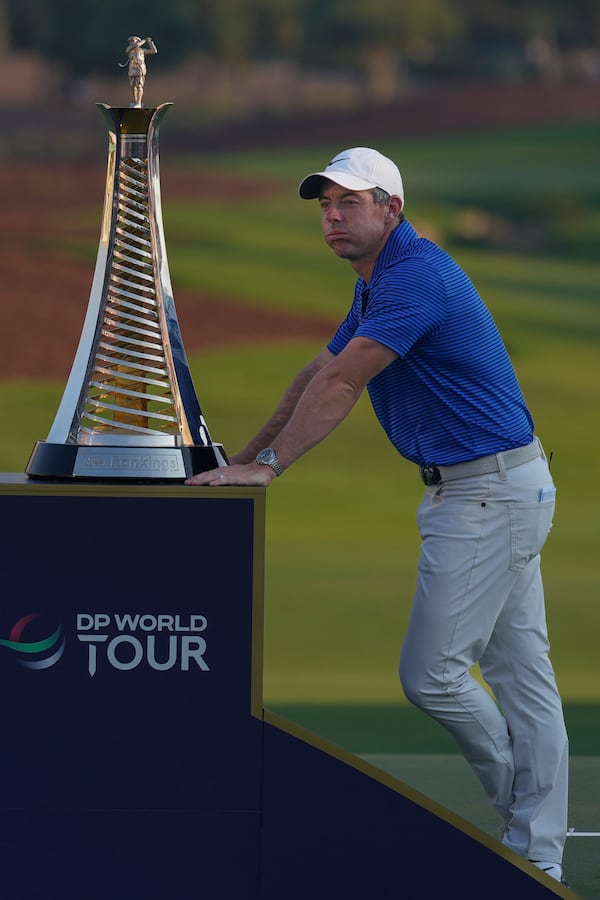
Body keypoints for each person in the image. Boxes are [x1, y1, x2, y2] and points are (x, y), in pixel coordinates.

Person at [185, 147, 569, 885]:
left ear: (391, 209)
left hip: (488, 496)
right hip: (495, 489)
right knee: (522, 676)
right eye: (326, 205)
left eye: (349, 203)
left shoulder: (415, 276)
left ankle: (524, 815)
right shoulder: (378, 283)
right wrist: (245, 452)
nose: (333, 216)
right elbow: (316, 372)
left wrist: (268, 470)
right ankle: (537, 853)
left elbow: (346, 381)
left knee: (433, 676)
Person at [120, 36, 157, 108]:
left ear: (137, 41)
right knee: (133, 86)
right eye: (130, 41)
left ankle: (138, 102)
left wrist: (149, 42)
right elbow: (136, 45)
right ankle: (135, 101)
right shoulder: (129, 49)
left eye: (133, 41)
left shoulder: (142, 50)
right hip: (132, 70)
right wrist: (144, 40)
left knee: (139, 85)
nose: (131, 42)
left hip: (140, 69)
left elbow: (154, 50)